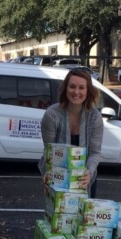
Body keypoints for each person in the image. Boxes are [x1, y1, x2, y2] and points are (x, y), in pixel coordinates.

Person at [38, 68, 104, 198]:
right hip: (58, 175)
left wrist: (89, 173)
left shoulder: (95, 117)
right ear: (66, 88)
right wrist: (49, 174)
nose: (76, 92)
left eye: (81, 88)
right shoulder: (52, 114)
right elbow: (49, 150)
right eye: (72, 86)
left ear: (88, 90)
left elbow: (95, 153)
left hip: (85, 178)